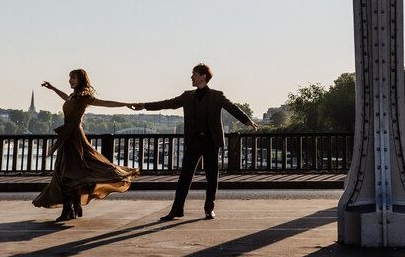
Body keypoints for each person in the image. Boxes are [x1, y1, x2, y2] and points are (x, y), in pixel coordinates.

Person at [131, 63, 257, 220]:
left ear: (203, 76)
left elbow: (233, 108)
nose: (191, 77)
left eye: (194, 74)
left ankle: (209, 209)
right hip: (194, 141)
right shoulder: (187, 96)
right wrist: (145, 106)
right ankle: (177, 209)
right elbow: (168, 104)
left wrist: (248, 121)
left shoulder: (217, 96)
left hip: (211, 141)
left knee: (212, 177)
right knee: (185, 176)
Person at [33, 69, 139, 222]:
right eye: (70, 77)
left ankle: (68, 209)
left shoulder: (84, 97)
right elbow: (66, 98)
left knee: (72, 173)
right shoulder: (72, 96)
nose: (71, 80)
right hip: (67, 137)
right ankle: (74, 205)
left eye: (74, 78)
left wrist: (126, 104)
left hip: (75, 136)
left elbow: (105, 103)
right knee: (67, 173)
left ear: (81, 79)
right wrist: (53, 88)